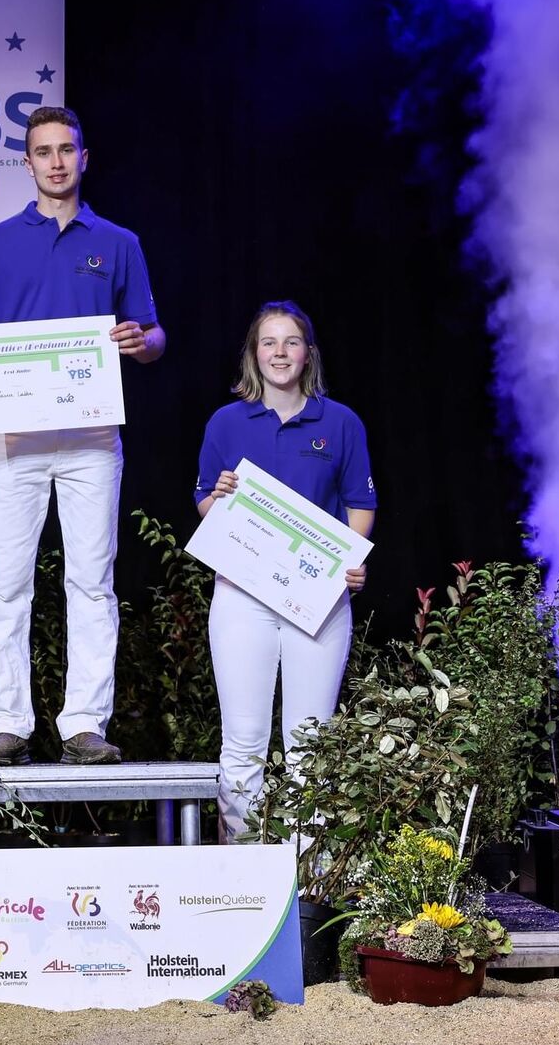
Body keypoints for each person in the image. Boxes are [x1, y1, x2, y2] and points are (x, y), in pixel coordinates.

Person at [0, 106, 165, 766]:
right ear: (26, 162)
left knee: (92, 581)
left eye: (67, 149)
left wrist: (140, 340)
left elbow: (154, 334)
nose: (56, 161)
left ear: (84, 158)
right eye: (43, 151)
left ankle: (85, 723)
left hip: (92, 434)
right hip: (15, 436)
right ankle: (7, 721)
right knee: (4, 583)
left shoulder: (118, 241)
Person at [195, 300, 376, 839]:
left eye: (291, 342)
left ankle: (306, 877)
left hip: (316, 602)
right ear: (254, 353)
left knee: (309, 747)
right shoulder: (226, 422)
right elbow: (205, 499)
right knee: (244, 742)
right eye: (268, 342)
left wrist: (348, 560)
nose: (280, 352)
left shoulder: (340, 422)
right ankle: (243, 868)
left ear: (308, 353)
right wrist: (219, 499)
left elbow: (359, 505)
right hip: (241, 597)